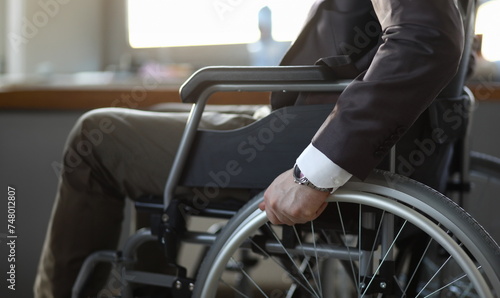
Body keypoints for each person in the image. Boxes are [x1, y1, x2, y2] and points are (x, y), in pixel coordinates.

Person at [34, 0, 465, 297]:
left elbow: (426, 39)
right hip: (339, 132)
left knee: (97, 136)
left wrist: (312, 174)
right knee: (163, 113)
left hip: (311, 143)